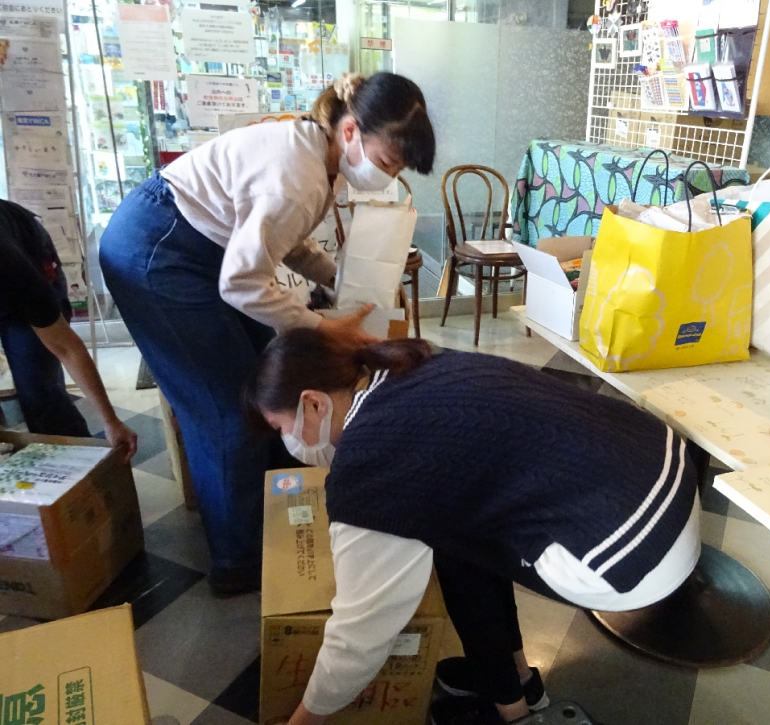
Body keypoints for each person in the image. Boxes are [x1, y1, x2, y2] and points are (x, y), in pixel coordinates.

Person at [245, 332, 701, 725]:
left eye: (280, 427)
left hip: (629, 556)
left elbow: (361, 633)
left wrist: (305, 720)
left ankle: (510, 710)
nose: (288, 441)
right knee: (462, 514)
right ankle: (515, 677)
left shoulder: (371, 465)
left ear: (313, 402)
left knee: (450, 541)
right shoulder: (411, 366)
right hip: (670, 474)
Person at [99, 72, 435, 596]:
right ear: (351, 131)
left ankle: (279, 499)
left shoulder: (321, 154)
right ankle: (237, 560)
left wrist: (343, 282)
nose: (388, 175)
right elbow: (242, 283)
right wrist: (326, 328)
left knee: (267, 379)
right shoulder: (297, 174)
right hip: (158, 249)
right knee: (227, 408)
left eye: (398, 168)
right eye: (387, 162)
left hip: (198, 245)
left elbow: (288, 242)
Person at [0, 200, 137, 461]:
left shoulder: (14, 273)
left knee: (38, 389)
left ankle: (78, 470)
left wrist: (110, 421)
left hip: (28, 252)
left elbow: (66, 348)